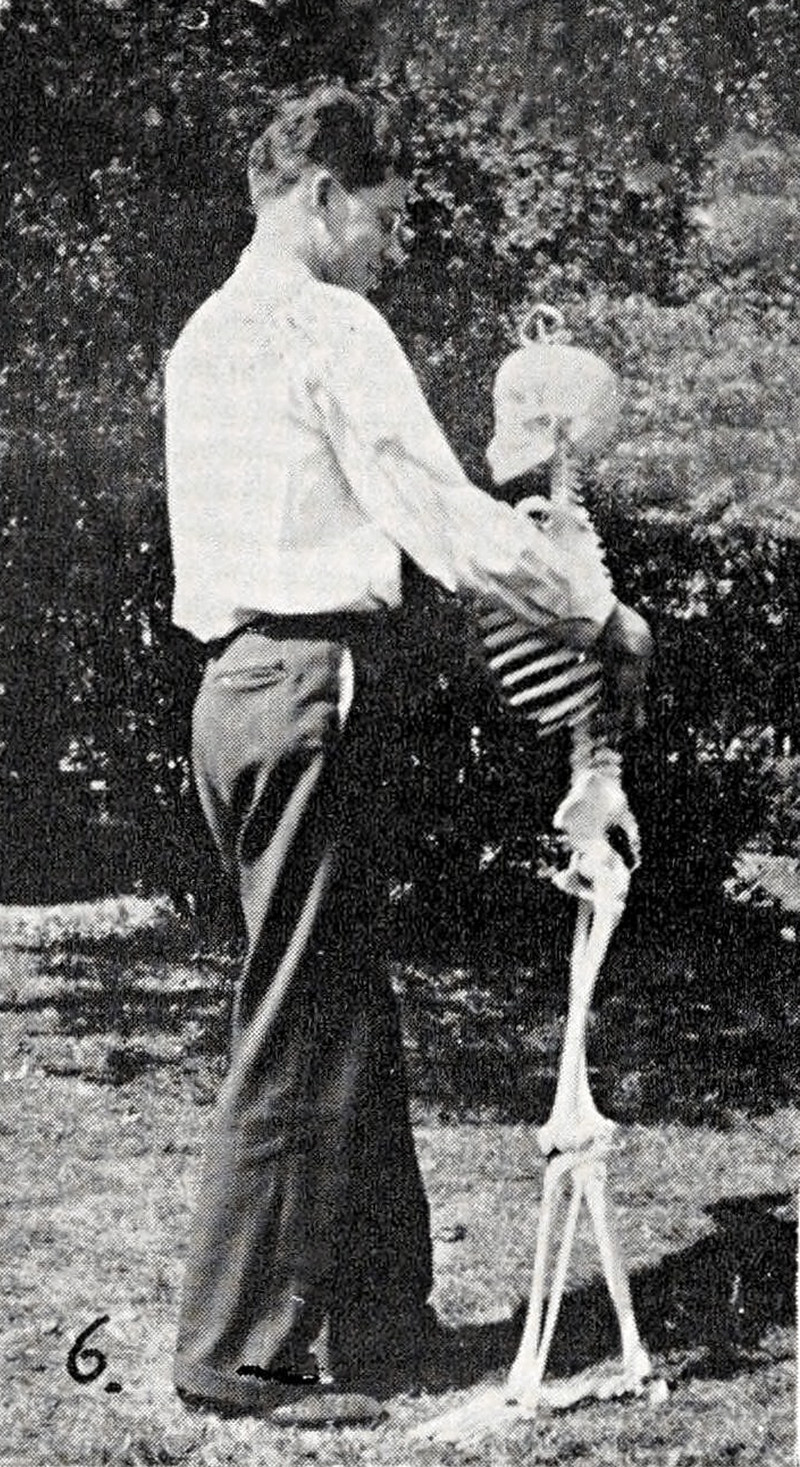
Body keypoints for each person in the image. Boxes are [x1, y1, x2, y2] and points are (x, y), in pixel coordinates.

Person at [164, 84, 651, 1427]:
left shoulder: (208, 334)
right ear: (323, 195)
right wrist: (592, 610)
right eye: (382, 219)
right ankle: (236, 1351)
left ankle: (380, 1322)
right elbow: (432, 509)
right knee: (303, 1011)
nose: (391, 247)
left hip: (237, 693)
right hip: (307, 682)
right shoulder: (325, 323)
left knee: (341, 999)